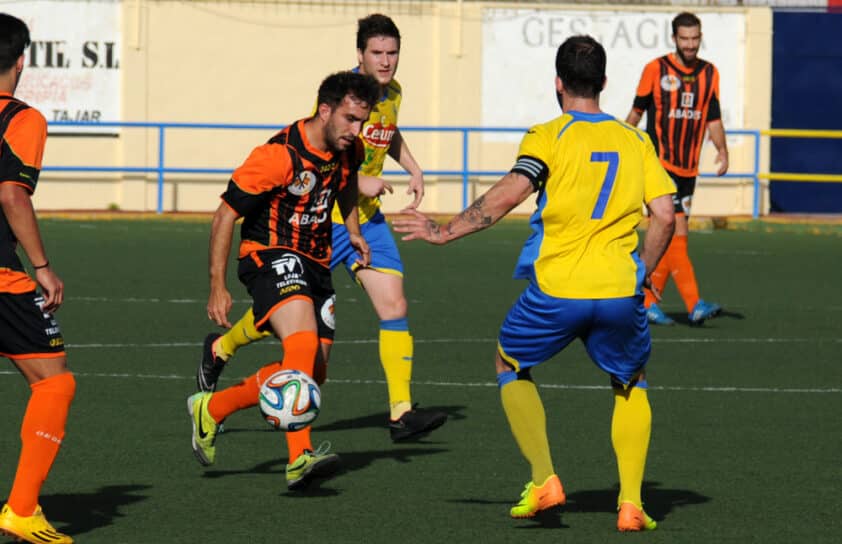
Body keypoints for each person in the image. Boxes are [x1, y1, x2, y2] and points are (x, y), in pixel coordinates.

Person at [393, 35, 676, 532]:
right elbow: (665, 217)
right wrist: (643, 275)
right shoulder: (637, 141)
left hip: (558, 288)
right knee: (631, 381)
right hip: (617, 290)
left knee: (508, 361)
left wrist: (442, 231)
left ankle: (544, 477)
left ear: (558, 84)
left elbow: (509, 194)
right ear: (605, 84)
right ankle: (630, 503)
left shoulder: (549, 135)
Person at [197, 13, 446, 442]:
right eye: (377, 53)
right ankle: (224, 349)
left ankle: (400, 413)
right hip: (318, 219)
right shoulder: (340, 98)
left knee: (394, 305)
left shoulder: (393, 93)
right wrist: (357, 181)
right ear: (360, 55)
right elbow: (326, 152)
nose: (386, 62)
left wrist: (413, 166)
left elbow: (389, 133)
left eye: (393, 53)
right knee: (295, 324)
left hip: (363, 219)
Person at [188, 71, 379, 491]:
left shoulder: (350, 149)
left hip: (316, 261)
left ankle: (213, 409)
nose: (356, 130)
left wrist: (353, 230)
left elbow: (345, 188)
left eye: (361, 122)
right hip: (267, 253)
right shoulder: (278, 156)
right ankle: (299, 459)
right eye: (349, 119)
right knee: (302, 342)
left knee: (315, 371)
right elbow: (225, 214)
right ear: (324, 110)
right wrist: (216, 285)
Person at [0, 13, 76, 544]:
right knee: (54, 380)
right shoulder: (22, 118)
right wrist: (43, 267)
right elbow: (11, 194)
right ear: (21, 61)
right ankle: (21, 510)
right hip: (2, 279)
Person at [626, 11, 728, 326]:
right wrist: (620, 148)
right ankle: (693, 303)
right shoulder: (655, 70)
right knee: (675, 231)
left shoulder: (710, 74)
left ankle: (645, 301)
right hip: (660, 165)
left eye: (695, 38)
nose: (690, 44)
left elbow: (713, 117)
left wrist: (722, 149)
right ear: (674, 39)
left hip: (688, 169)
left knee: (674, 237)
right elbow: (635, 114)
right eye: (684, 39)